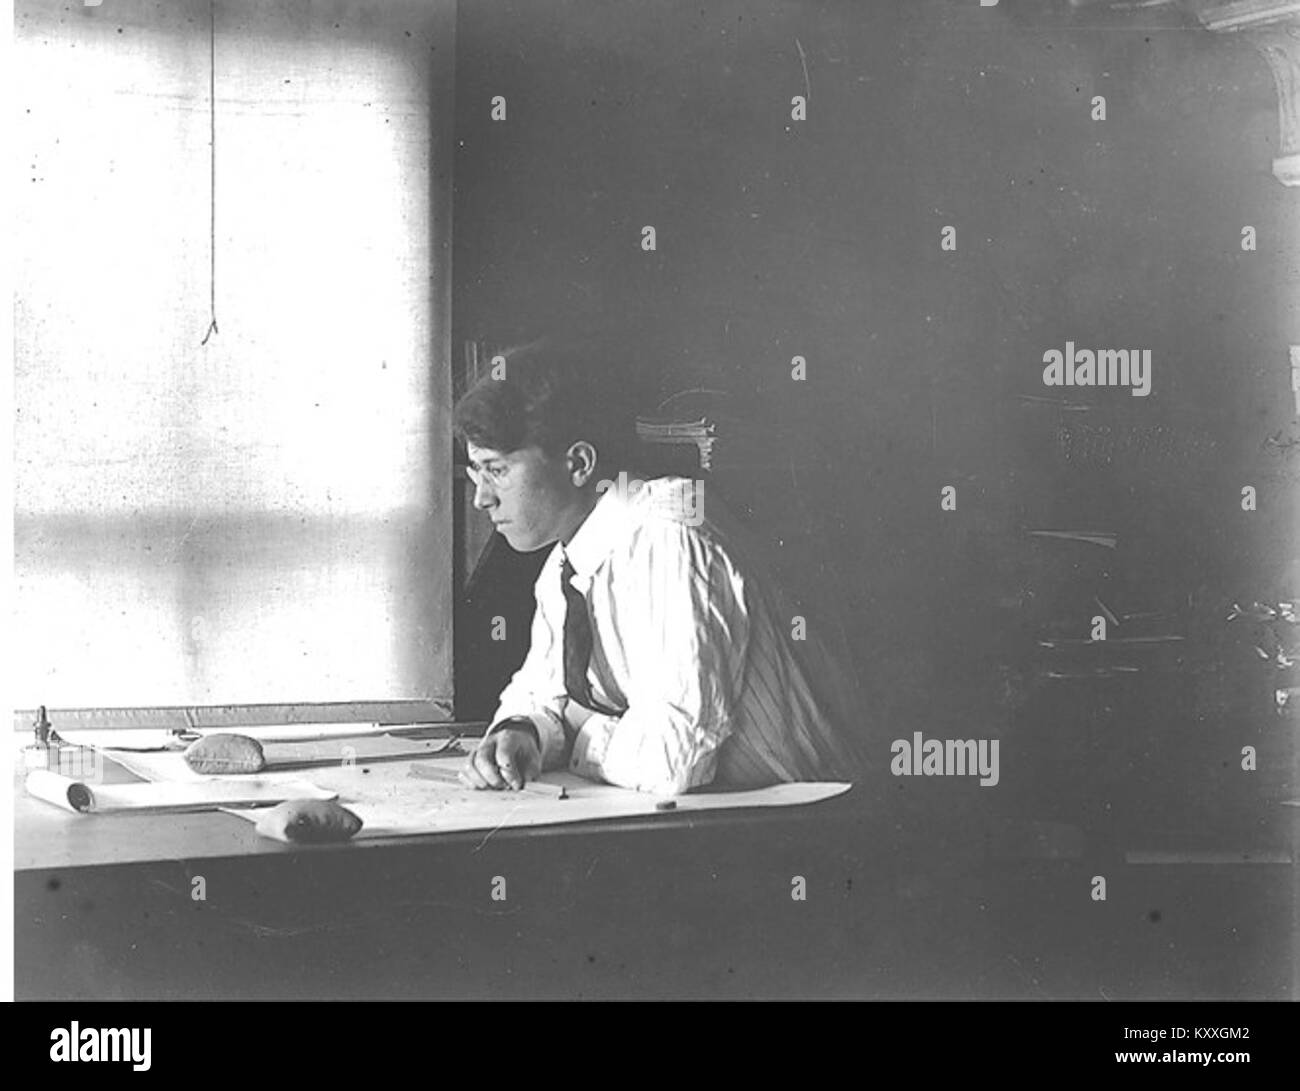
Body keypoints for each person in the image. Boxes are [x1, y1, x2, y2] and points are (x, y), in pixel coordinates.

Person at [453, 340, 869, 796]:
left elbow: (673, 760)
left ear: (578, 463)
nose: (481, 498)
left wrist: (577, 730)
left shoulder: (673, 535)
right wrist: (522, 732)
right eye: (476, 474)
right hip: (712, 817)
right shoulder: (565, 563)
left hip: (812, 824)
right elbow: (538, 693)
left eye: (496, 470)